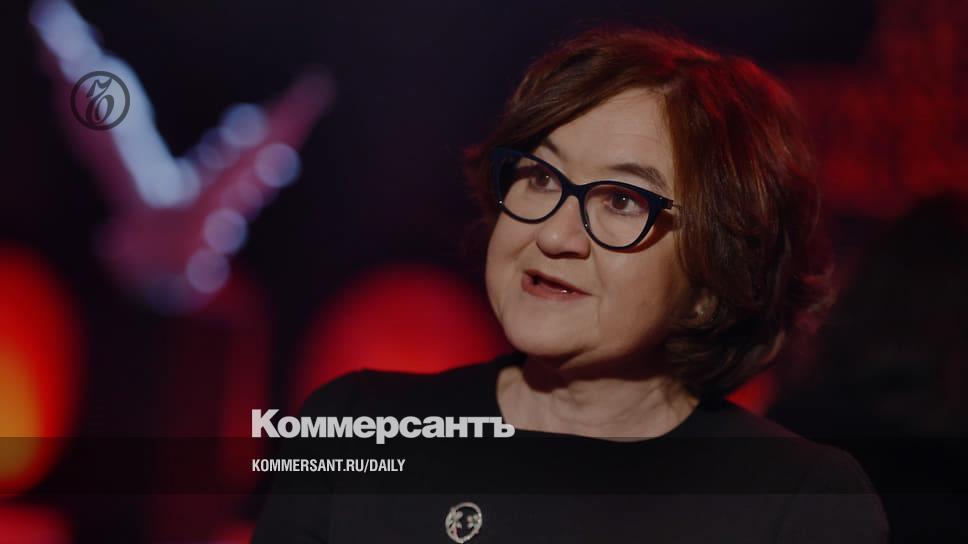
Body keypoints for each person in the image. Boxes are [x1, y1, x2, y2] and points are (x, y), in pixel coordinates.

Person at [252, 26, 888, 543]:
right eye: (541, 178)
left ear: (712, 282)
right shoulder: (358, 424)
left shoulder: (793, 500)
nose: (555, 235)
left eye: (621, 200)